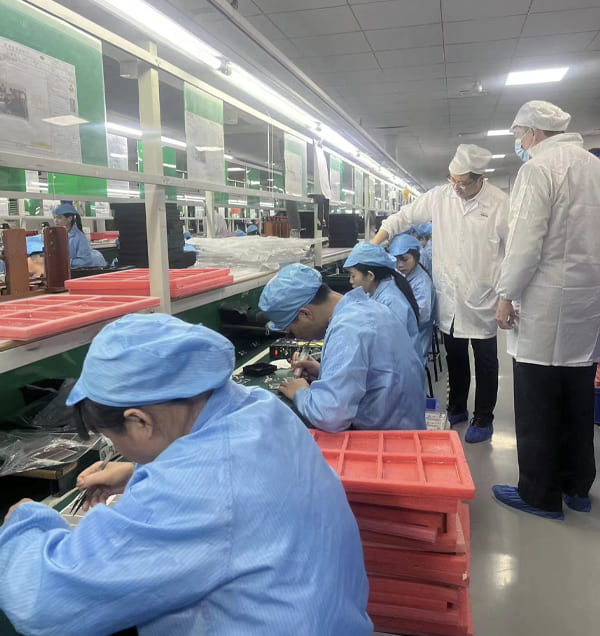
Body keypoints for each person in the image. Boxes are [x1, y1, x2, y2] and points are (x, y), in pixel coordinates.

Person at [0, 314, 372, 635]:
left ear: (140, 422)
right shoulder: (260, 410)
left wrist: (26, 521)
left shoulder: (193, 491)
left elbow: (45, 603)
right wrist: (136, 468)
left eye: (115, 440)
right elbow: (224, 479)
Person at [493, 100, 600, 520]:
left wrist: (505, 295)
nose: (520, 143)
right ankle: (577, 487)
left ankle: (539, 494)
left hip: (543, 304)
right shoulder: (594, 167)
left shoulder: (538, 170)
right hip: (586, 303)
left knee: (537, 401)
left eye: (519, 135)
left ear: (534, 132)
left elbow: (524, 245)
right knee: (576, 396)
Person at [371, 144, 508, 443]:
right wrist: (375, 241)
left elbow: (513, 251)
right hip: (449, 296)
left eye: (462, 182)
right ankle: (457, 406)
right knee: (455, 355)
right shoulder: (439, 197)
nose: (455, 187)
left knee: (485, 361)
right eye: (452, 180)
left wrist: (508, 297)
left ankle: (484, 418)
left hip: (483, 296)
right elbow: (403, 217)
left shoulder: (500, 203)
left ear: (479, 178)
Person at [259, 263, 426, 432]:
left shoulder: (347, 328)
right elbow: (374, 373)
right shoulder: (367, 307)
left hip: (387, 440)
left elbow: (331, 417)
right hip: (404, 424)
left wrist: (300, 393)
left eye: (292, 332)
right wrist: (324, 371)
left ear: (305, 314)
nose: (297, 338)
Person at [342, 242, 421, 360]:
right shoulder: (377, 292)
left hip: (400, 369)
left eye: (353, 276)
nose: (351, 281)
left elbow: (390, 347)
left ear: (370, 276)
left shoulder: (390, 301)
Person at [388, 234, 436, 365]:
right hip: (402, 337)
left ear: (416, 257)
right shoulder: (402, 275)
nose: (399, 264)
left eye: (404, 259)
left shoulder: (421, 283)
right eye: (396, 260)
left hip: (415, 342)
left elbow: (422, 317)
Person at [53, 203, 106, 268]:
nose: (55, 220)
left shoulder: (78, 237)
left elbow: (85, 261)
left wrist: (66, 262)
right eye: (54, 217)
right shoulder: (60, 235)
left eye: (59, 218)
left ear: (69, 218)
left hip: (89, 270)